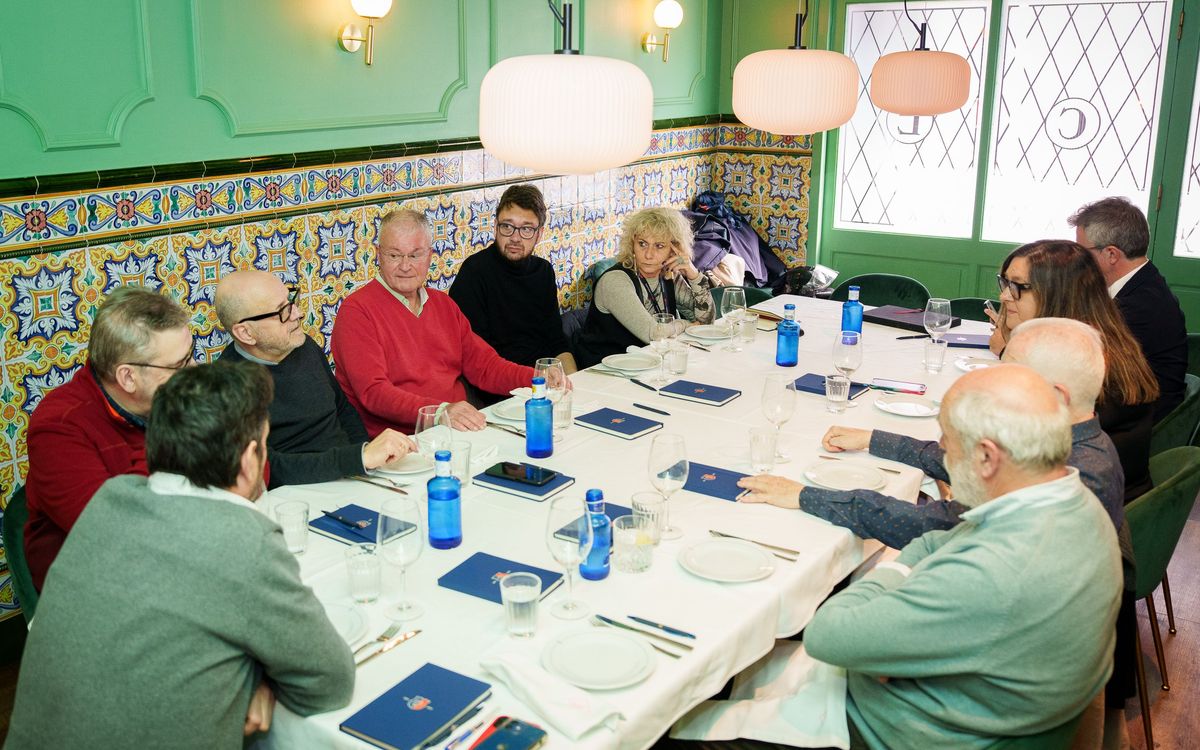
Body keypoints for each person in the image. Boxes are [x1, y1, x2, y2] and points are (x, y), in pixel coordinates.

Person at [738, 318, 1137, 741]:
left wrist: (888, 574)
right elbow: (939, 537)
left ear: (987, 457)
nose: (942, 450)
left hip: (887, 731)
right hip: (981, 704)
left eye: (948, 439)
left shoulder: (995, 569)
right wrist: (918, 562)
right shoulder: (1073, 496)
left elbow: (828, 633)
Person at [6, 361, 355, 748]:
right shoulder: (244, 538)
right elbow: (330, 684)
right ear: (247, 461)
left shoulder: (108, 500)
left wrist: (253, 679)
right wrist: (258, 684)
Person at [23, 285, 193, 592]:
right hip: (93, 591)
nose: (192, 372)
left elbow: (250, 472)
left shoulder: (169, 397)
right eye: (178, 366)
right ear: (128, 377)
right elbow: (116, 530)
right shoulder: (59, 427)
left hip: (178, 561)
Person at [331, 209, 535, 433]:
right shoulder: (357, 311)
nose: (405, 266)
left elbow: (484, 366)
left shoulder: (443, 304)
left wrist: (536, 379)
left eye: (415, 255)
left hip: (457, 429)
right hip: (400, 442)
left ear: (430, 255)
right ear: (378, 254)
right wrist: (440, 412)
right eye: (394, 255)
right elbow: (374, 392)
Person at [987, 240, 1158, 501]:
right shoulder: (1099, 345)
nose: (1005, 296)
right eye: (1005, 282)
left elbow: (1011, 452)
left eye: (1018, 287)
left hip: (1078, 513)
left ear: (1059, 293)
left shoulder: (1085, 370)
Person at [215, 269, 417, 487]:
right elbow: (268, 469)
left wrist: (368, 458)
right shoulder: (227, 384)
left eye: (291, 300)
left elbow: (342, 409)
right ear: (246, 333)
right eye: (281, 311)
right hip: (297, 492)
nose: (297, 314)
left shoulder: (302, 345)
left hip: (351, 475)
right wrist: (357, 458)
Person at [1069, 197, 1188, 421]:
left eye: (1082, 252)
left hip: (1139, 424)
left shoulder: (1141, 305)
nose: (1078, 260)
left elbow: (1085, 369)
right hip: (1125, 407)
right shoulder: (1139, 284)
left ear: (1111, 254)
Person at [448, 184, 577, 374]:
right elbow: (476, 357)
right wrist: (534, 380)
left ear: (539, 234)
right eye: (507, 226)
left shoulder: (543, 271)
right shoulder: (474, 273)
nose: (515, 238)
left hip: (542, 380)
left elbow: (557, 342)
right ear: (495, 227)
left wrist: (574, 383)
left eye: (526, 229)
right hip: (498, 384)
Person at [573, 207, 715, 368]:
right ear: (631, 243)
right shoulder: (615, 281)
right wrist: (687, 326)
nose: (648, 254)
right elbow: (654, 334)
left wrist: (692, 273)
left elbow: (706, 321)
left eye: (659, 246)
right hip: (606, 372)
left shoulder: (668, 274)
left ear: (674, 249)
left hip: (647, 366)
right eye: (642, 244)